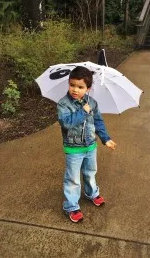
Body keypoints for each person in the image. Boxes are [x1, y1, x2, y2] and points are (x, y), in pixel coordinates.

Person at [57, 66, 116, 223]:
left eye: (80, 87)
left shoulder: (92, 103)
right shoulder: (63, 104)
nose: (75, 90)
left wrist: (106, 139)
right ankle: (71, 206)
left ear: (88, 88)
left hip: (90, 146)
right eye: (72, 85)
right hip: (73, 148)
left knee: (90, 172)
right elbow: (66, 123)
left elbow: (98, 122)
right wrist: (83, 111)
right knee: (73, 178)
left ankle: (92, 193)